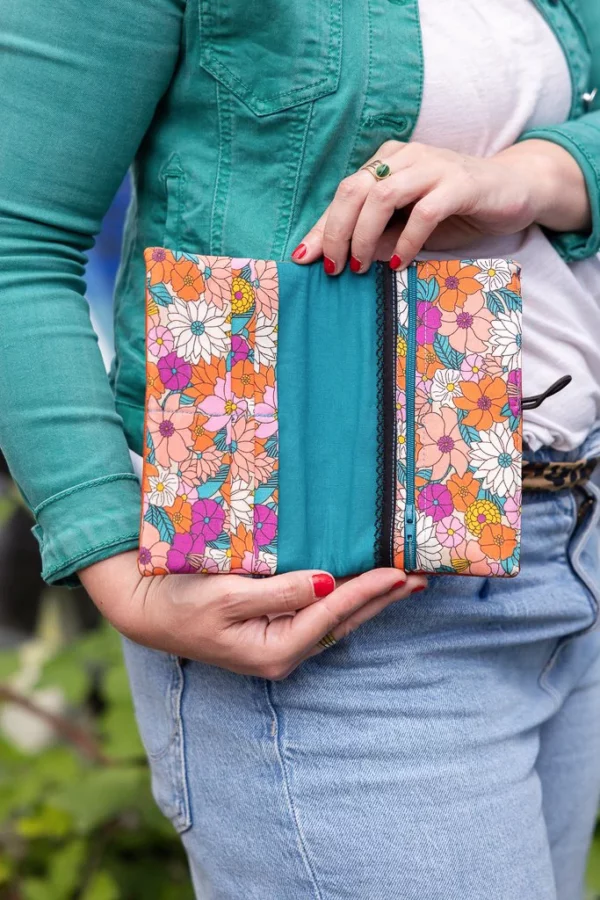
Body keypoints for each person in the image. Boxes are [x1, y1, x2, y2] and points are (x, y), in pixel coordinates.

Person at [1, 1, 600, 897]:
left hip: (568, 547)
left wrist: (543, 171)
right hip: (327, 599)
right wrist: (112, 557)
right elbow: (18, 239)